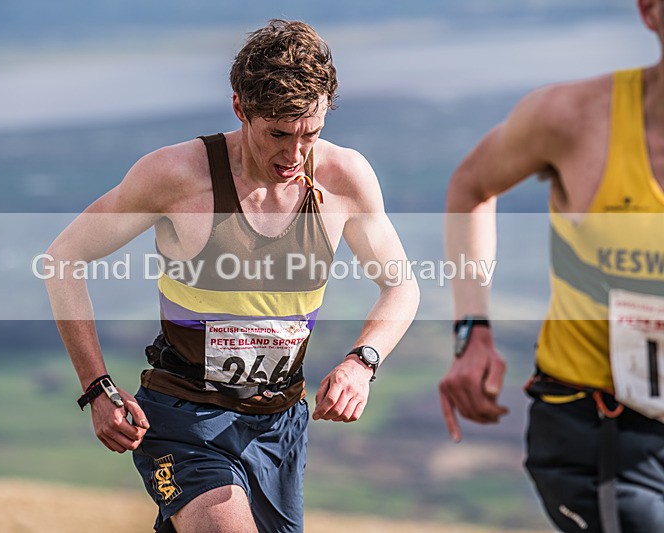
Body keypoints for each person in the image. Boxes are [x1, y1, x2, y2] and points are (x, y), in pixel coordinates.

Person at [45, 19, 419, 533]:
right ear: (241, 108)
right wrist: (96, 386)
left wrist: (363, 362)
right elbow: (63, 259)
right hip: (183, 416)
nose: (294, 155)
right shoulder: (177, 177)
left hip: (280, 424)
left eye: (311, 133)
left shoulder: (345, 178)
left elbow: (401, 285)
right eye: (278, 134)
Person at [438, 1, 664, 531]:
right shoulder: (576, 119)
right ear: (650, 12)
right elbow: (471, 185)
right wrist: (472, 329)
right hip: (599, 430)